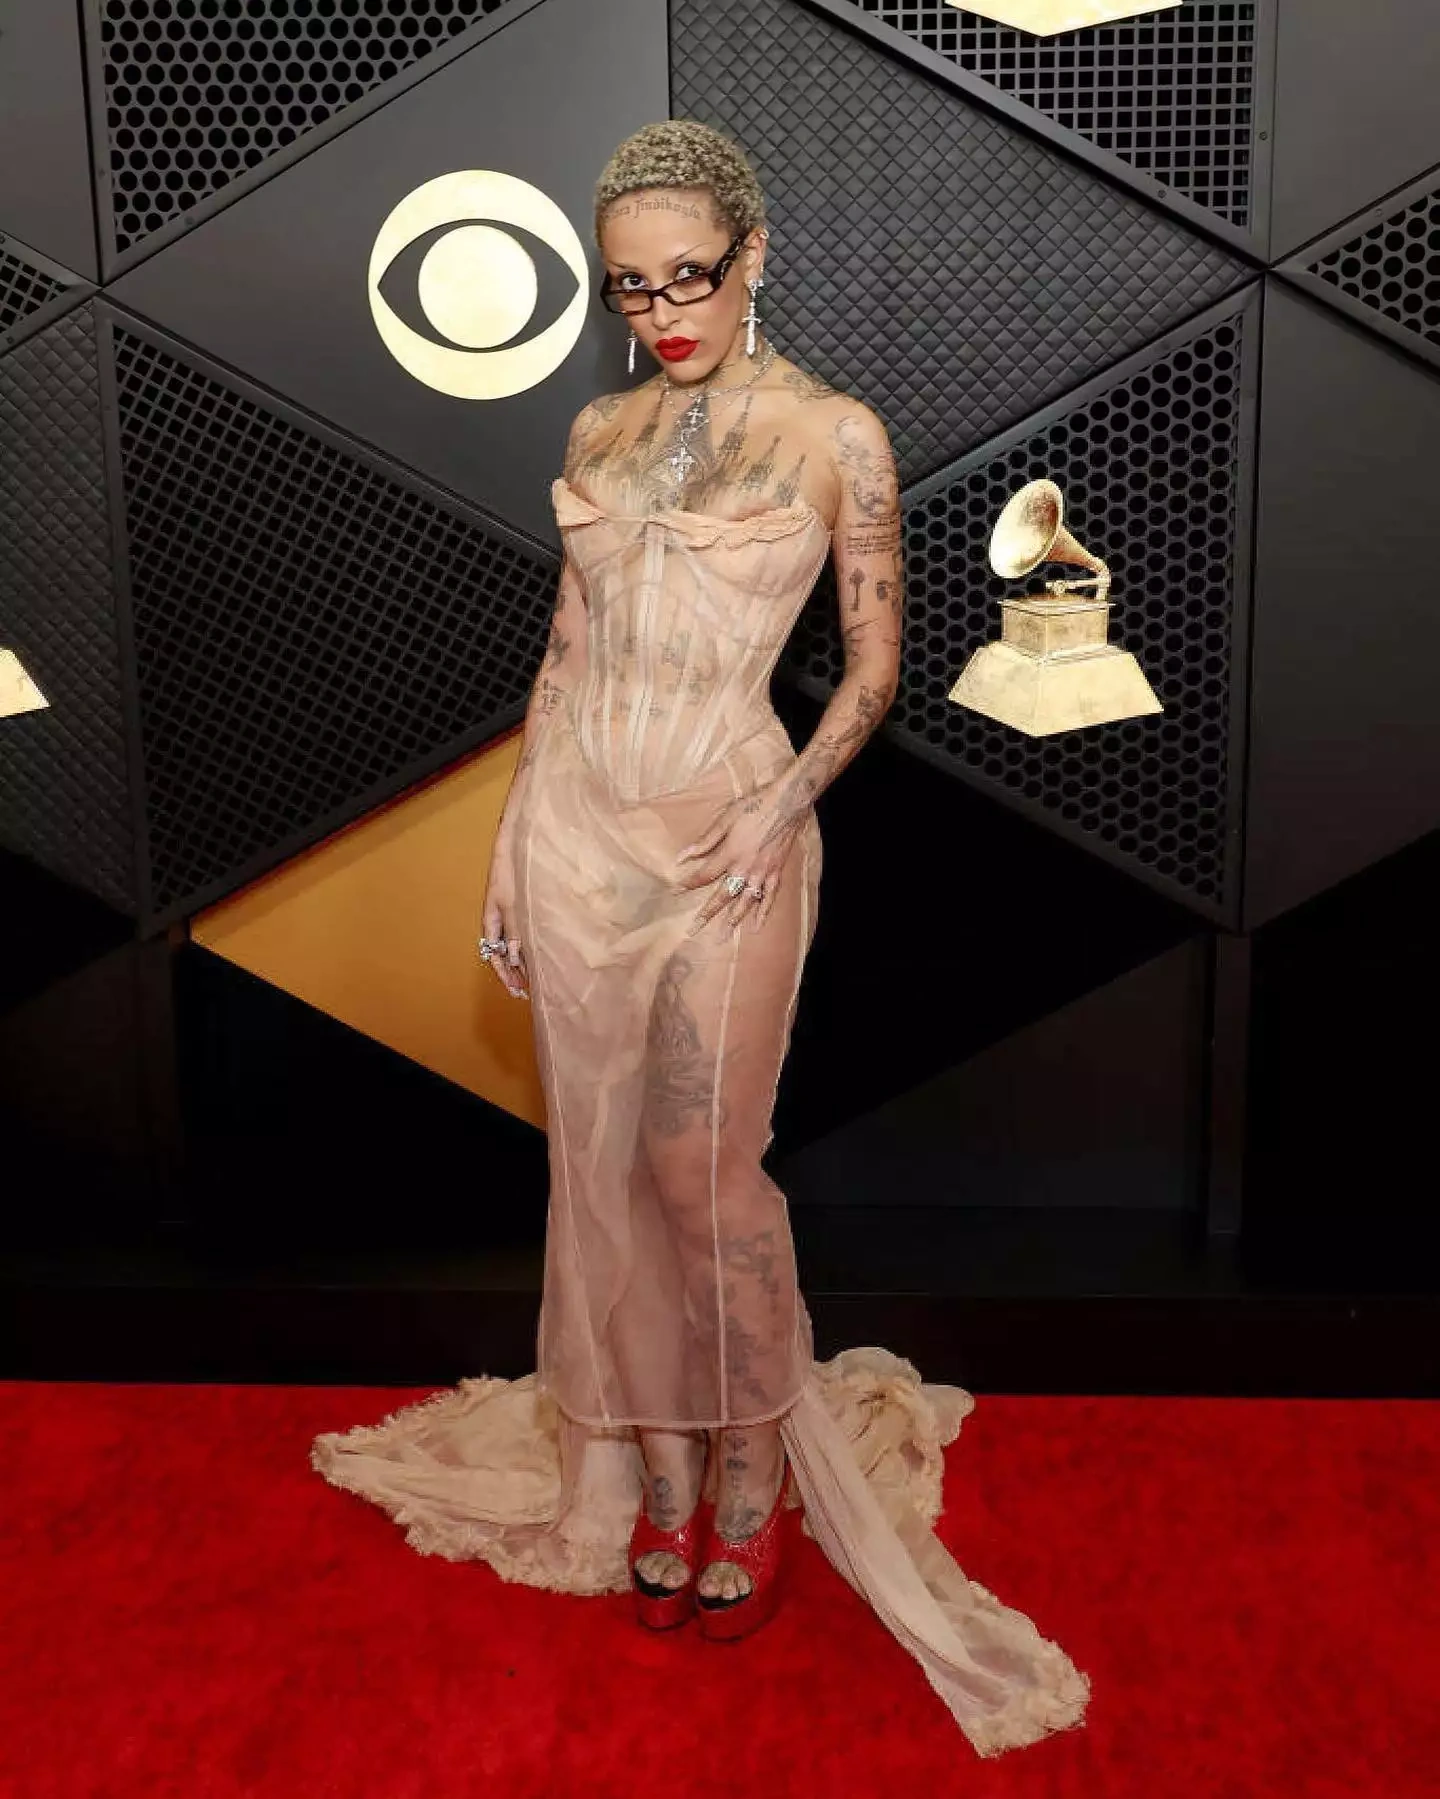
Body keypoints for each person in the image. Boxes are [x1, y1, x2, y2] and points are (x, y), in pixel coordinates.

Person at [311, 119, 1090, 1758]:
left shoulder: (835, 434)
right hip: (579, 833)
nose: (663, 312)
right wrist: (512, 842)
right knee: (596, 1168)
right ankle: (659, 1461)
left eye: (690, 277)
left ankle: (750, 1462)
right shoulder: (598, 425)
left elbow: (874, 667)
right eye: (630, 287)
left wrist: (781, 806)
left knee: (702, 1170)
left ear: (754, 258)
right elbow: (566, 647)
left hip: (732, 837)